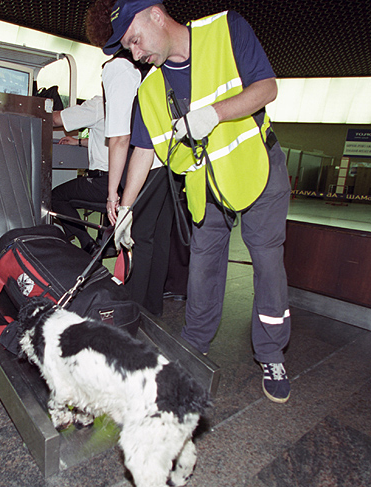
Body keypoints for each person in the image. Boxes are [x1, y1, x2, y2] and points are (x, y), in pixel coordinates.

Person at [104, 0, 292, 403]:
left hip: (258, 165)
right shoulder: (151, 88)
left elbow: (267, 88)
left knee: (266, 260)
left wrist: (215, 113)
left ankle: (272, 352)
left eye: (135, 40)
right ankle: (193, 344)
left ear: (156, 14)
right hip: (205, 184)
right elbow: (144, 150)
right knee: (204, 266)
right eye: (128, 48)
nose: (134, 53)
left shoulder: (226, 30)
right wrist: (126, 207)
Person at [86, 0, 174, 317]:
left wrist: (113, 193)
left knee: (135, 238)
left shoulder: (117, 68)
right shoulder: (154, 65)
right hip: (166, 162)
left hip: (143, 163)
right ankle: (151, 308)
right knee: (156, 237)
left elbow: (120, 137)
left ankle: (133, 310)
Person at [51, 95, 108, 255]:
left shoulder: (99, 104)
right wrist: (78, 142)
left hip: (103, 182)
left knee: (56, 196)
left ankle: (87, 244)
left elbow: (56, 120)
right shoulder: (130, 103)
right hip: (124, 182)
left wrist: (33, 110)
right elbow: (110, 140)